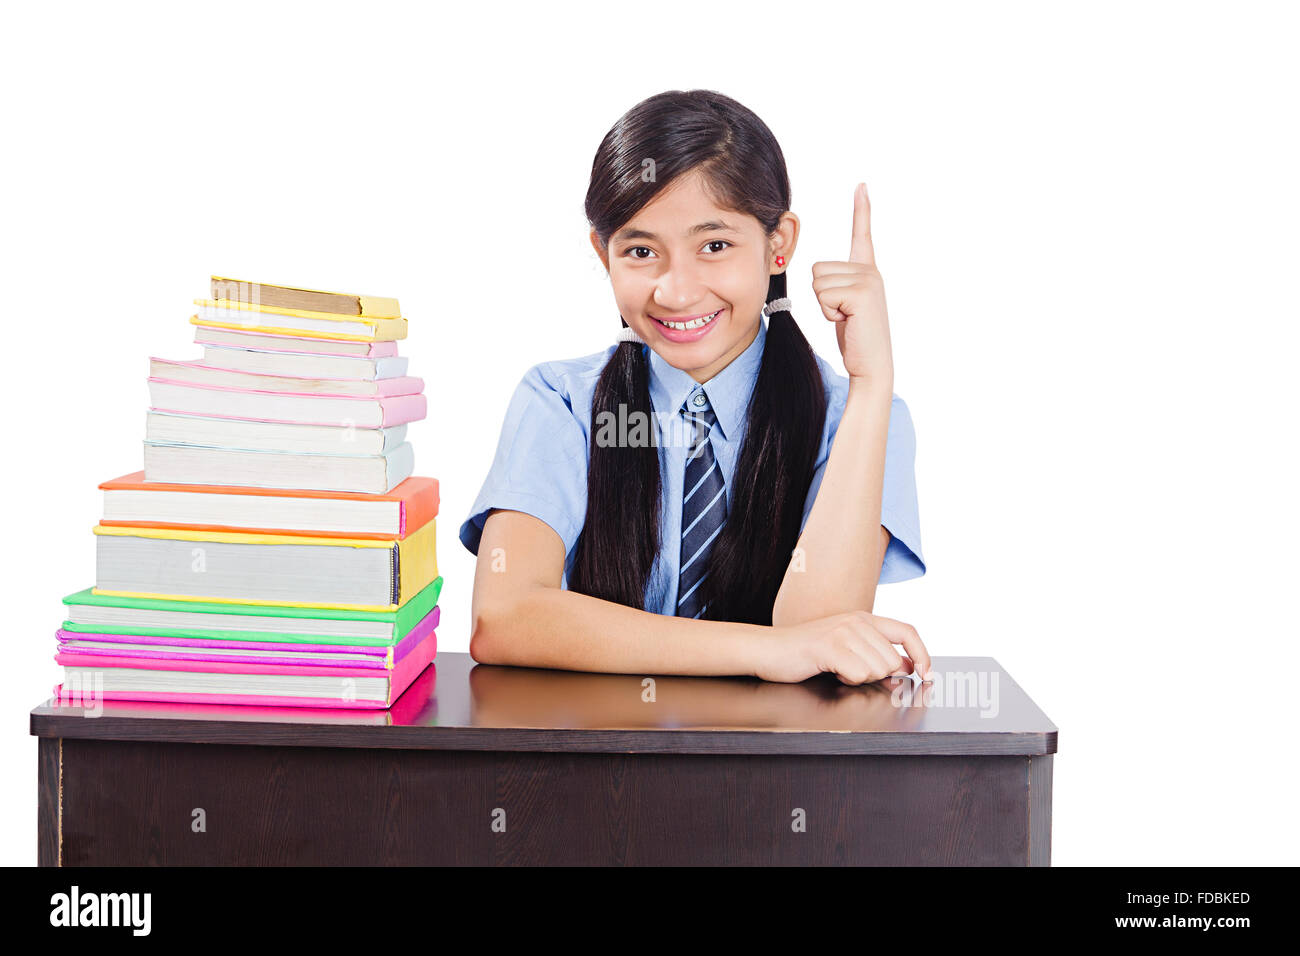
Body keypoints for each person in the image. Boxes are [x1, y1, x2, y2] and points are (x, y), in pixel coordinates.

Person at [459, 89, 931, 684]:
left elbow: (820, 635)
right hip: (597, 769)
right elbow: (504, 618)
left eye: (714, 246)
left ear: (779, 244)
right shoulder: (562, 402)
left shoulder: (858, 419)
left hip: (778, 774)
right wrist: (767, 650)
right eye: (640, 251)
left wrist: (872, 380)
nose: (675, 292)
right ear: (603, 255)